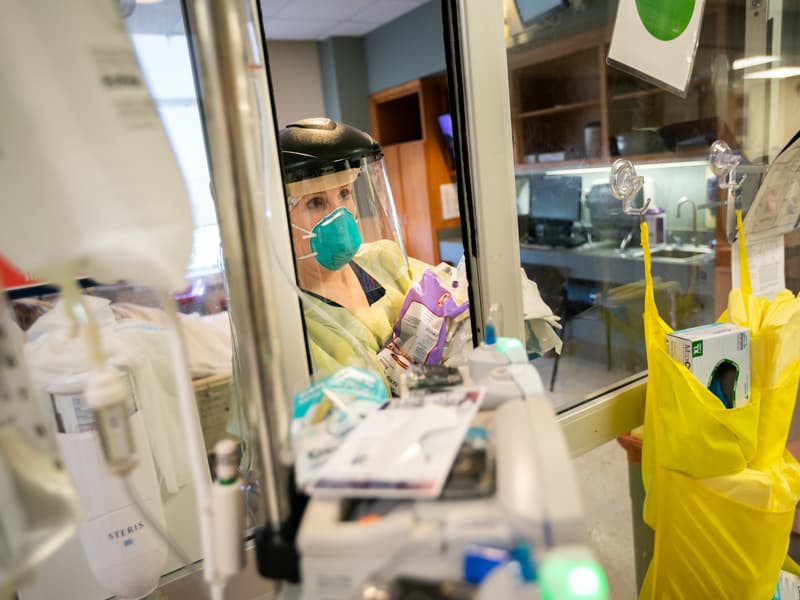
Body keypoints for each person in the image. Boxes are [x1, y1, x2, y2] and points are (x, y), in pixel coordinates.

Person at [279, 117, 432, 381]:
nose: (340, 214)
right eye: (316, 202)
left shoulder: (386, 261)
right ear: (282, 220)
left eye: (344, 194)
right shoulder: (289, 326)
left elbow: (461, 311)